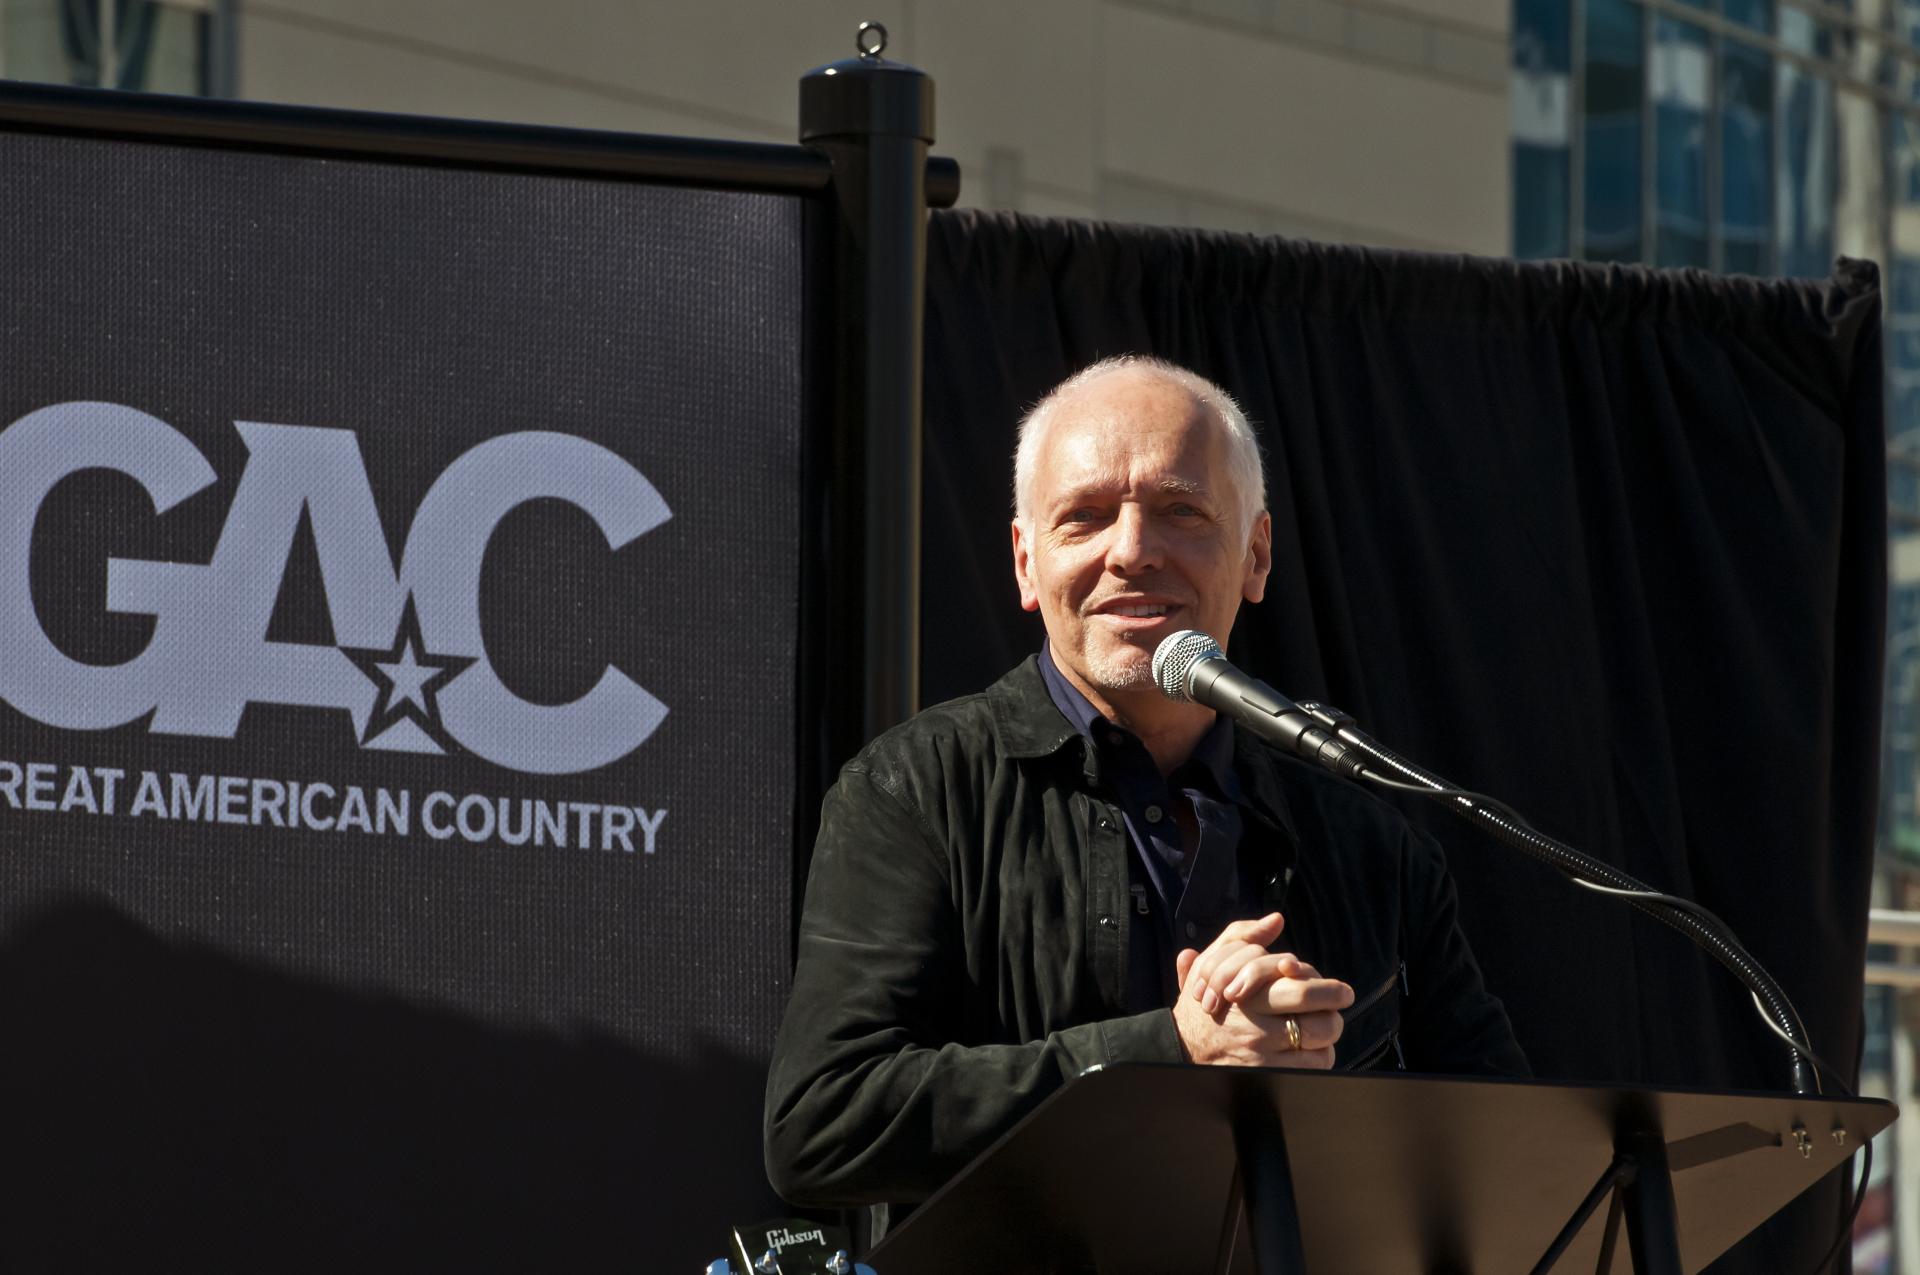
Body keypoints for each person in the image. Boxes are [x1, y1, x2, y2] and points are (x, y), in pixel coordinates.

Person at [764, 356, 1526, 1236]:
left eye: (1181, 510)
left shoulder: (1369, 840)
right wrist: (1172, 1050)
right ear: (1025, 561)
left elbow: (1509, 1149)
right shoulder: (915, 788)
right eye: (1083, 517)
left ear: (1257, 554)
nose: (1131, 550)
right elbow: (819, 1123)